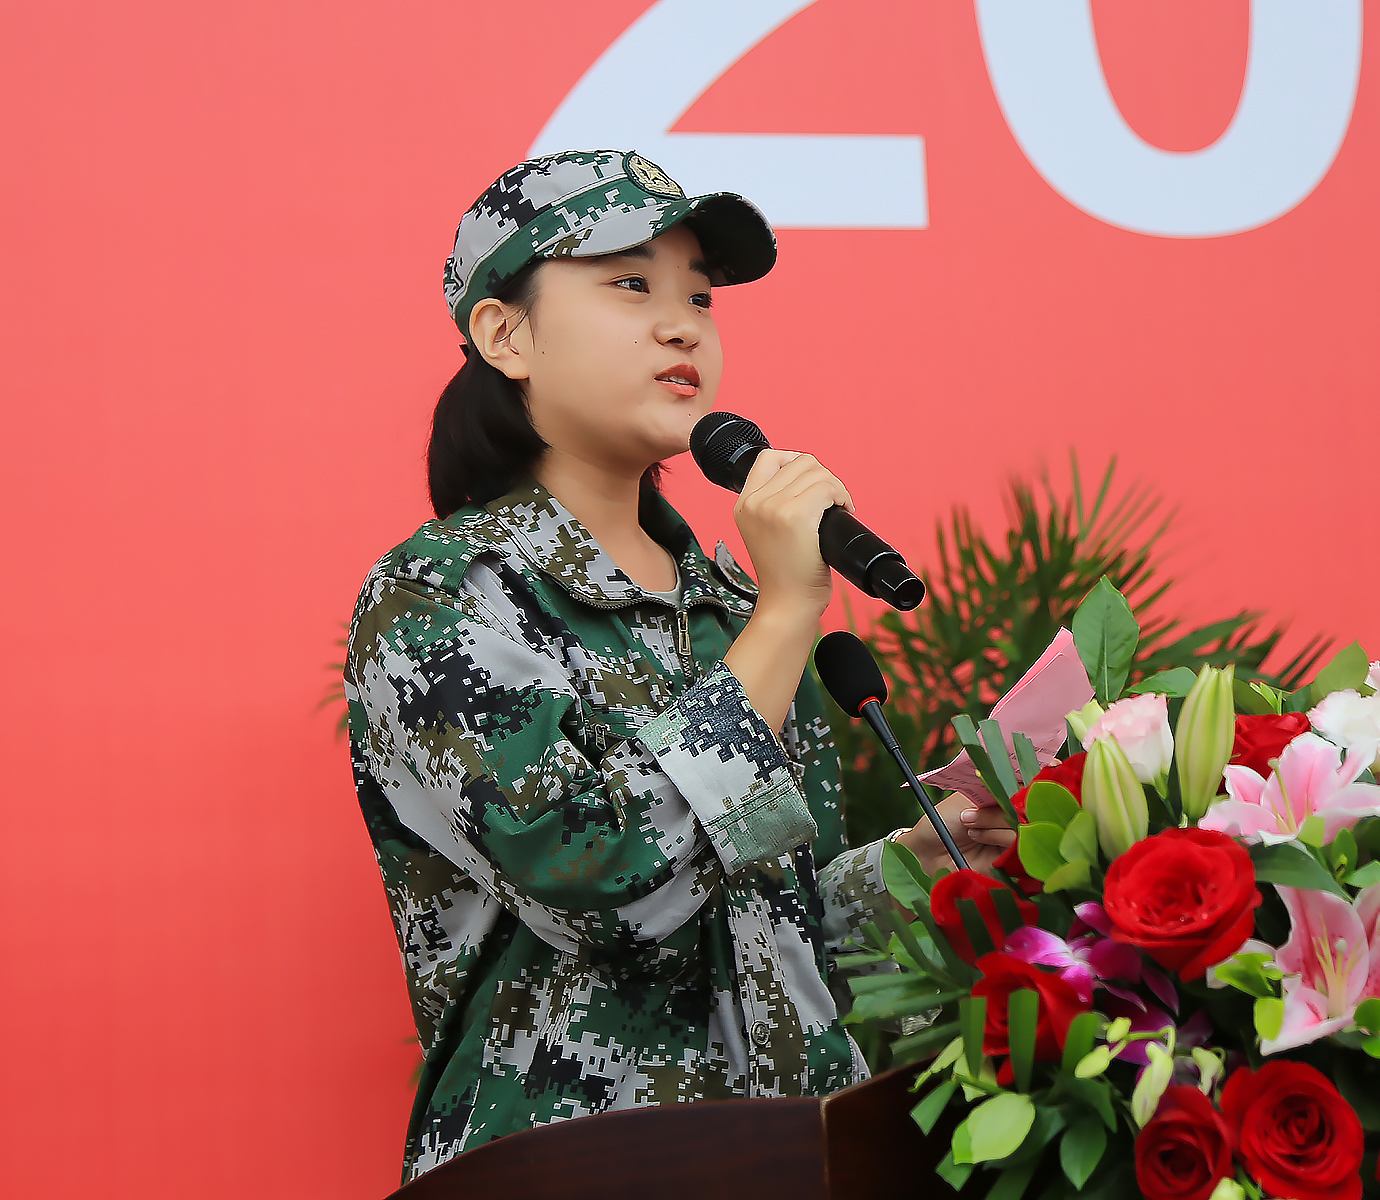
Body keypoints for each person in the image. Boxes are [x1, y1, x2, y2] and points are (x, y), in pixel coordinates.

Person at [343, 149, 1016, 1183]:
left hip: (792, 1159)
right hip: (571, 1168)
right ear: (505, 335)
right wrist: (787, 615)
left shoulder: (734, 608)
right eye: (630, 285)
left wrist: (921, 863)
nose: (683, 326)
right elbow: (601, 890)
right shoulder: (443, 593)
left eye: (698, 297)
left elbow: (773, 927)